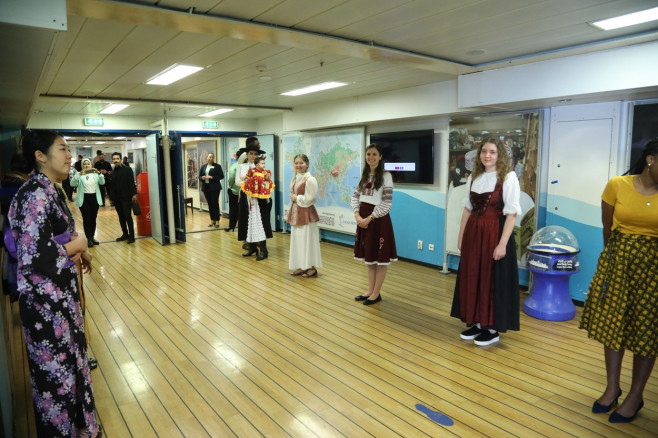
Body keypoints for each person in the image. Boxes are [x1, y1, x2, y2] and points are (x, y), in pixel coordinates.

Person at [8, 130, 100, 437]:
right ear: (40, 156)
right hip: (45, 304)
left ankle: (81, 428)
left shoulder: (50, 189)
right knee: (55, 379)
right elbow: (35, 256)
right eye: (62, 148)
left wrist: (80, 250)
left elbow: (55, 237)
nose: (69, 154)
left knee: (72, 368)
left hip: (60, 298)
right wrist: (80, 244)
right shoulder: (33, 194)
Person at [579, 138, 658, 423]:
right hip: (618, 261)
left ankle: (635, 396)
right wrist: (613, 260)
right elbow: (607, 227)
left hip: (654, 269)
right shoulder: (617, 185)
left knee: (646, 331)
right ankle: (612, 388)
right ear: (651, 159)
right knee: (614, 324)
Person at [450, 138, 521, 346]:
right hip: (474, 233)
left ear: (500, 155)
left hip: (494, 233)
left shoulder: (508, 177)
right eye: (483, 151)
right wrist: (461, 236)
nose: (487, 155)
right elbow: (467, 208)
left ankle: (491, 327)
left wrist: (502, 244)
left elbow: (512, 214)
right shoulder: (474, 176)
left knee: (491, 278)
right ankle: (478, 321)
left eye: (492, 152)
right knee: (473, 275)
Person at [351, 143, 397, 305]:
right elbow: (355, 197)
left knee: (380, 260)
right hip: (363, 219)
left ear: (380, 157)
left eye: (374, 154)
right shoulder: (364, 176)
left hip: (378, 221)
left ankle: (376, 293)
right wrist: (357, 215)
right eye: (368, 154)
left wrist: (369, 218)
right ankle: (370, 290)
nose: (371, 157)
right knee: (369, 259)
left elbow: (386, 204)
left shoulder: (386, 176)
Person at [236, 137, 272, 257]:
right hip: (246, 198)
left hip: (258, 199)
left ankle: (263, 249)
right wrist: (248, 182)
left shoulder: (261, 168)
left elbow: (265, 182)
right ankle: (251, 247)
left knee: (259, 222)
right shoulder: (241, 166)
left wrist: (249, 181)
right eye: (251, 154)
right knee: (247, 222)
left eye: (255, 154)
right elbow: (237, 181)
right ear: (247, 154)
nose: (252, 156)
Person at [287, 154, 322, 277]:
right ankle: (302, 266)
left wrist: (297, 198)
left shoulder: (310, 179)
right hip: (296, 212)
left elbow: (311, 198)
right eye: (296, 163)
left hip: (306, 214)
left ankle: (311, 267)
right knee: (298, 241)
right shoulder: (295, 178)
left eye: (301, 163)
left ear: (307, 164)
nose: (298, 165)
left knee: (307, 241)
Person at [240, 156, 275, 260]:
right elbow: (246, 178)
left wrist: (267, 179)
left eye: (264, 163)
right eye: (262, 163)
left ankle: (264, 250)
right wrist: (246, 179)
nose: (264, 165)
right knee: (251, 224)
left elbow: (268, 182)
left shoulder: (265, 172)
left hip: (261, 201)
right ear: (256, 164)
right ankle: (252, 247)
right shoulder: (252, 171)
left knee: (260, 224)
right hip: (252, 200)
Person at [71, 159, 105, 247]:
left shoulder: (95, 174)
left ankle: (92, 237)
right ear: (82, 165)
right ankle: (88, 238)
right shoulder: (79, 174)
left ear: (90, 165)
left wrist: (99, 173)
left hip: (94, 198)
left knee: (93, 218)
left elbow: (102, 182)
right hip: (84, 199)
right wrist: (79, 174)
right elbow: (72, 184)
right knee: (86, 219)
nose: (86, 165)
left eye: (88, 164)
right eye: (85, 164)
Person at [110, 152, 137, 243]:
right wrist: (112, 198)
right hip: (117, 199)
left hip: (126, 198)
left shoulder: (128, 169)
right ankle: (125, 234)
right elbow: (112, 186)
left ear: (120, 159)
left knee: (128, 217)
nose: (116, 160)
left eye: (117, 159)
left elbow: (131, 183)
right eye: (114, 159)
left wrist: (134, 194)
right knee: (121, 217)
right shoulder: (113, 171)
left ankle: (132, 236)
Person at [199, 152, 224, 228]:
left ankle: (217, 221)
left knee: (215, 204)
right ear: (207, 158)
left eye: (212, 157)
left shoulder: (217, 166)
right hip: (206, 188)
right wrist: (202, 178)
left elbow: (221, 176)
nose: (211, 158)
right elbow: (199, 176)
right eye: (209, 157)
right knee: (210, 204)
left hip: (215, 188)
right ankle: (212, 220)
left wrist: (212, 177)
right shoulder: (203, 167)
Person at [225, 149, 241, 232]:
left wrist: (230, 186)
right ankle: (241, 227)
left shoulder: (234, 166)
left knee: (233, 209)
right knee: (241, 210)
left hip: (234, 190)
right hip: (242, 191)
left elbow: (231, 179)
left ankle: (232, 226)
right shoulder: (247, 166)